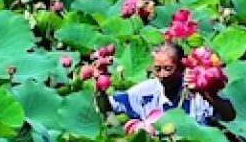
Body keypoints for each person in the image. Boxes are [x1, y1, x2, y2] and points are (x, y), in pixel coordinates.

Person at [99, 42, 236, 126]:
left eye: (168, 69)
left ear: (182, 68)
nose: (162, 75)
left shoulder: (198, 91)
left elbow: (229, 116)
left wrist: (206, 94)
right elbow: (108, 107)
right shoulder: (144, 91)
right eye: (157, 69)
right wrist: (99, 86)